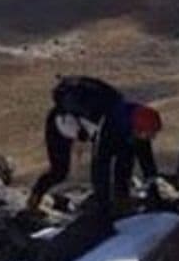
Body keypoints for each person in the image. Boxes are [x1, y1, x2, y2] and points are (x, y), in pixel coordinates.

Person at [27, 76, 122, 211]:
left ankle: (34, 199)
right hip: (64, 124)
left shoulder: (110, 107)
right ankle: (34, 201)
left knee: (59, 171)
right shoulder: (111, 115)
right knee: (60, 171)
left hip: (63, 123)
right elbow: (101, 165)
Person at [92, 101, 162, 218]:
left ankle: (122, 199)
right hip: (109, 134)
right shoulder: (109, 130)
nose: (153, 138)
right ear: (138, 130)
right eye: (150, 134)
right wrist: (102, 201)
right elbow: (100, 166)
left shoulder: (141, 126)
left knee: (126, 163)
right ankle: (105, 205)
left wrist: (154, 190)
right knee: (103, 169)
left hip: (127, 132)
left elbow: (147, 162)